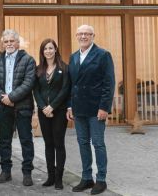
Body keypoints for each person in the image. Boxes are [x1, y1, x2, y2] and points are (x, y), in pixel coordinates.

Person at [67, 25, 115, 195]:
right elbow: (71, 85)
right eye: (80, 33)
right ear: (76, 36)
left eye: (87, 34)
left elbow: (109, 84)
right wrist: (69, 105)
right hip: (79, 108)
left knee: (98, 143)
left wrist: (104, 107)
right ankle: (87, 177)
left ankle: (101, 179)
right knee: (83, 143)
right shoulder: (73, 57)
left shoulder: (103, 55)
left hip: (96, 109)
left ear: (93, 36)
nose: (83, 36)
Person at [0, 28, 37, 186]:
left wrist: (12, 97)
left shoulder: (28, 60)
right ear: (3, 43)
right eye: (6, 41)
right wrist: (3, 98)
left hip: (22, 107)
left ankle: (27, 173)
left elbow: (29, 82)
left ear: (17, 43)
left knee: (25, 140)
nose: (9, 43)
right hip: (3, 107)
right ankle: (5, 172)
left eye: (12, 41)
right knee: (4, 140)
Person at [33, 38, 70, 190]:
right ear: (42, 52)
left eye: (50, 48)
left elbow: (65, 89)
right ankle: (50, 177)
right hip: (43, 112)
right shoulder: (38, 69)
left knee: (58, 144)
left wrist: (52, 106)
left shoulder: (64, 68)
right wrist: (43, 107)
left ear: (55, 49)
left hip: (59, 111)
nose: (48, 51)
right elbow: (36, 90)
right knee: (48, 144)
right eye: (45, 49)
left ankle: (59, 179)